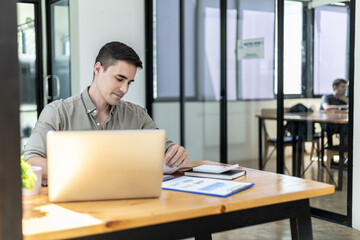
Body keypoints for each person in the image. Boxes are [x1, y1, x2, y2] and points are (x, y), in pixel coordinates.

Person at [23, 41, 189, 178]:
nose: (124, 89)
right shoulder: (58, 112)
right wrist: (91, 170)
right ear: (98, 69)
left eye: (129, 82)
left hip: (127, 203)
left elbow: (164, 148)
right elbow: (30, 162)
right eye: (119, 79)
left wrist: (175, 152)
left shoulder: (137, 115)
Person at [319, 78, 349, 147]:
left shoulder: (344, 99)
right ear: (335, 87)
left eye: (345, 87)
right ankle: (339, 150)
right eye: (342, 87)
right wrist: (342, 107)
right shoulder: (327, 97)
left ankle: (345, 150)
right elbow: (326, 107)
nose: (345, 89)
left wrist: (347, 100)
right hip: (328, 124)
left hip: (341, 124)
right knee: (346, 128)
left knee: (349, 127)